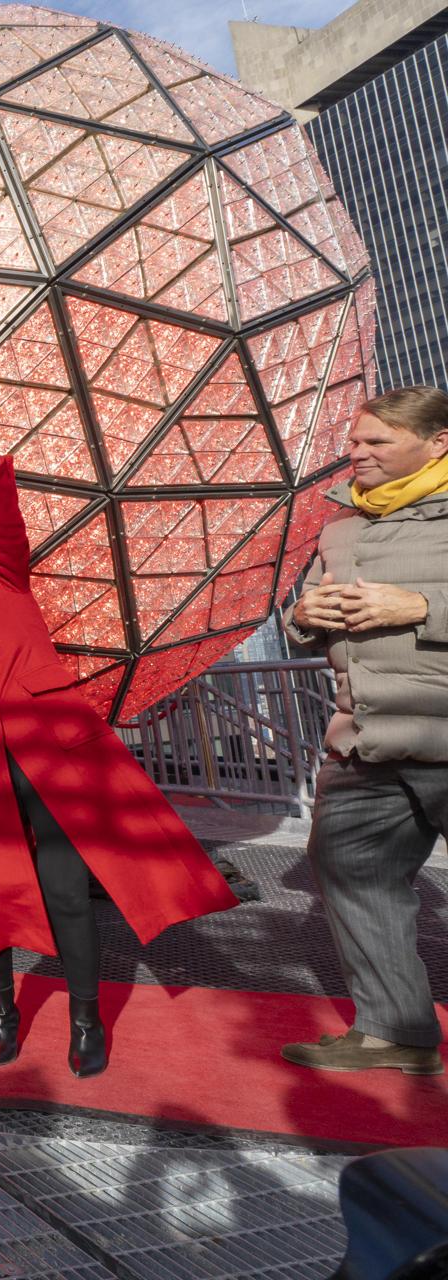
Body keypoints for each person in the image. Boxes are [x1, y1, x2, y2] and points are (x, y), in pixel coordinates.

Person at [0, 398, 238, 1078]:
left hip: (56, 754)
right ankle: (3, 1011)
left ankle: (85, 1019)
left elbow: (4, 521)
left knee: (69, 894)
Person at [279, 386, 448, 1076]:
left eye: (377, 441)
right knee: (349, 867)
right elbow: (308, 619)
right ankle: (393, 1032)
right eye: (354, 441)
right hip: (365, 735)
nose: (358, 452)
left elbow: (415, 607)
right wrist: (304, 616)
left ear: (437, 444)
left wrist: (422, 606)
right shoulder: (342, 526)